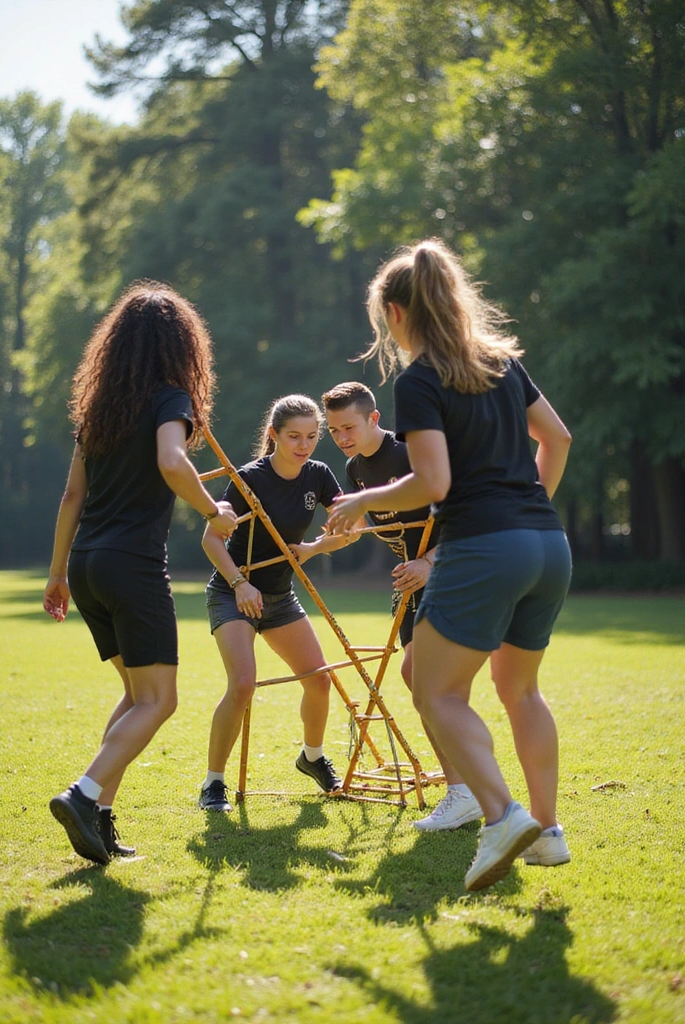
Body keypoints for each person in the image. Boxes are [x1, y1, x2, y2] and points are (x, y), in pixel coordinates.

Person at [327, 239, 572, 891]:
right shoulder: (500, 364)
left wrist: (363, 499)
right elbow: (559, 439)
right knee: (521, 691)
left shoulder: (418, 380)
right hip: (548, 544)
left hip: (486, 545)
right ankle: (546, 834)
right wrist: (527, 510)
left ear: (398, 314)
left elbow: (432, 482)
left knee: (431, 686)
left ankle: (501, 816)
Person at [43, 282, 237, 865]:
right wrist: (213, 509)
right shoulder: (172, 399)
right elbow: (172, 462)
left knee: (135, 696)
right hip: (132, 565)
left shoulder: (97, 411)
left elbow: (72, 495)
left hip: (87, 566)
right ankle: (83, 794)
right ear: (182, 346)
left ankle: (98, 820)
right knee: (160, 700)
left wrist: (56, 575)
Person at [321, 381, 482, 832]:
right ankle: (466, 790)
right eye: (333, 430)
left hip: (448, 572)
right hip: (410, 584)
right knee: (419, 680)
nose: (342, 437)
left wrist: (429, 562)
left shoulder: (413, 452)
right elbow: (363, 528)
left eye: (349, 426)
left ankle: (468, 790)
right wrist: (315, 548)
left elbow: (462, 515)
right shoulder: (355, 471)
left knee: (428, 680)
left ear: (374, 419)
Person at [200, 394, 349, 812]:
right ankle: (213, 784)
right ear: (274, 435)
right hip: (233, 594)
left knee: (319, 681)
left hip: (280, 597)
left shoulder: (318, 475)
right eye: (294, 437)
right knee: (243, 684)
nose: (304, 445)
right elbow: (211, 539)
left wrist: (316, 547)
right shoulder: (248, 479)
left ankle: (312, 758)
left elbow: (345, 527)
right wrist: (239, 583)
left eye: (312, 436)